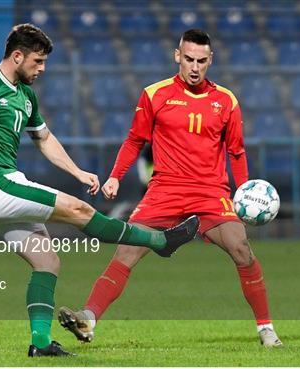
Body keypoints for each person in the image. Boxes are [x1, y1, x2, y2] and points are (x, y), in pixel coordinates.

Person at [0, 23, 199, 358]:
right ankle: (161, 242)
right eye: (37, 61)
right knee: (80, 211)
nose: (42, 69)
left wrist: (77, 171)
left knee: (47, 261)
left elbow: (44, 139)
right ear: (17, 56)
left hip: (0, 192)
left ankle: (41, 344)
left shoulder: (25, 95)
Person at [58, 29, 283, 348]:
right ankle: (88, 318)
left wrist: (242, 191)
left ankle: (266, 329)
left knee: (241, 249)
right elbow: (135, 139)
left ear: (210, 61)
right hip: (164, 191)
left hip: (210, 192)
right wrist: (115, 176)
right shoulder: (155, 94)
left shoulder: (226, 101)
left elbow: (236, 151)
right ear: (177, 56)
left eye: (202, 61)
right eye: (189, 59)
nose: (194, 67)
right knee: (126, 251)